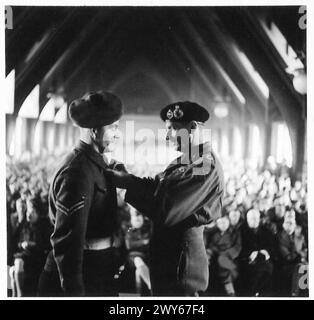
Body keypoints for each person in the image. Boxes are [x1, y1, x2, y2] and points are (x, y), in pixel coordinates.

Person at [108, 101, 224, 296]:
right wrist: (128, 179)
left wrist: (127, 188)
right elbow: (158, 186)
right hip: (171, 255)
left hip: (182, 262)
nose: (168, 136)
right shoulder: (187, 159)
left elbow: (167, 211)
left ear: (193, 127)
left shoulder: (204, 165)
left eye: (173, 129)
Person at [38, 91, 124, 297]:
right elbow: (68, 243)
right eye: (113, 127)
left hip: (96, 270)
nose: (117, 134)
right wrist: (75, 293)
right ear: (94, 130)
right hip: (83, 276)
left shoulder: (94, 164)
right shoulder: (78, 172)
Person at [240, 209, 275, 296]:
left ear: (259, 219)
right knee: (255, 270)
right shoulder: (241, 231)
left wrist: (264, 252)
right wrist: (250, 254)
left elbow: (271, 246)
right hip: (247, 258)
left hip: (263, 257)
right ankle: (254, 293)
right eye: (251, 218)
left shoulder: (266, 231)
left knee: (267, 267)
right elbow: (240, 247)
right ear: (247, 219)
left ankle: (258, 292)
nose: (254, 220)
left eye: (256, 218)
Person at [206, 215, 241, 296]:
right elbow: (212, 246)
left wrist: (225, 254)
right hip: (217, 257)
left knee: (222, 260)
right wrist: (210, 252)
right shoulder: (215, 234)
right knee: (217, 262)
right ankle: (230, 292)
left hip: (230, 257)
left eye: (225, 222)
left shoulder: (235, 232)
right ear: (217, 224)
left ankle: (230, 292)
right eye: (220, 223)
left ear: (228, 222)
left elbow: (237, 247)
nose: (223, 224)